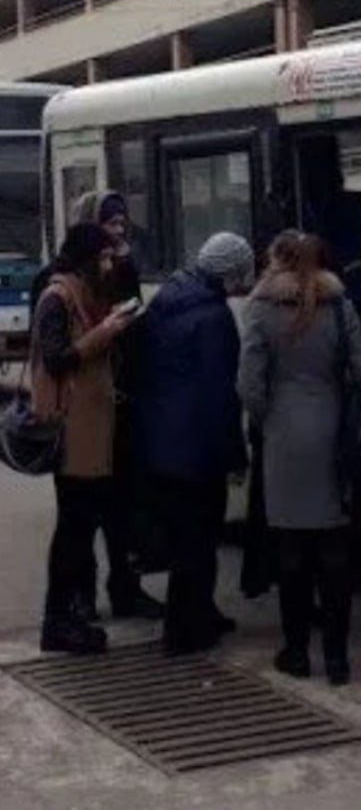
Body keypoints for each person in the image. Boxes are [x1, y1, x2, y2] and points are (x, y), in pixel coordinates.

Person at [238, 230, 361, 686]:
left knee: (291, 551)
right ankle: (338, 659)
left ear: (276, 260)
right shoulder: (339, 304)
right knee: (335, 553)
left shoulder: (261, 308)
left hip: (283, 437)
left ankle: (296, 652)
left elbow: (250, 384)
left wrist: (265, 421)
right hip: (332, 432)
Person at [34, 192, 164, 622]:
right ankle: (76, 601)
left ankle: (125, 588)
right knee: (78, 520)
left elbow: (134, 330)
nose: (120, 230)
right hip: (75, 423)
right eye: (110, 223)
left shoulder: (112, 274)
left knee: (120, 511)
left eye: (124, 221)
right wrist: (106, 331)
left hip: (115, 409)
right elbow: (58, 355)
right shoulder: (56, 288)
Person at [135, 232, 254, 656]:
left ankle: (198, 614)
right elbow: (220, 393)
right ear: (229, 272)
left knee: (186, 539)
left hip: (161, 443)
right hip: (196, 449)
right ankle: (185, 632)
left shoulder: (170, 298)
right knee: (198, 543)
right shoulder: (213, 318)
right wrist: (235, 455)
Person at [33, 224, 137, 654]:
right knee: (73, 532)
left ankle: (72, 614)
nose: (109, 264)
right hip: (71, 432)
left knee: (83, 526)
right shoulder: (56, 297)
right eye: (104, 257)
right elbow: (57, 358)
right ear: (85, 259)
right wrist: (104, 333)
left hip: (94, 430)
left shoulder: (87, 293)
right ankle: (58, 620)